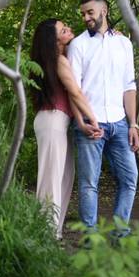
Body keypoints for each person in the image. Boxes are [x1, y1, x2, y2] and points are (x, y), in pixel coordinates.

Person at [67, 0, 139, 236]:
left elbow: (129, 86)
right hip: (90, 124)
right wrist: (80, 122)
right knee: (89, 184)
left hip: (120, 123)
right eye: (83, 14)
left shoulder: (123, 43)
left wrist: (133, 124)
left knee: (130, 179)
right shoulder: (78, 45)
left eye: (90, 12)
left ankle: (120, 235)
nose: (86, 17)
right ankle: (90, 241)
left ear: (104, 11)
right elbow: (73, 89)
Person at [30, 18, 102, 238]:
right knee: (51, 181)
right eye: (63, 30)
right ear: (54, 39)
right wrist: (94, 120)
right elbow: (76, 93)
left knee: (64, 178)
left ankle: (55, 233)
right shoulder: (58, 61)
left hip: (59, 122)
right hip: (52, 122)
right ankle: (45, 236)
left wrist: (81, 122)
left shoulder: (59, 58)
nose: (69, 29)